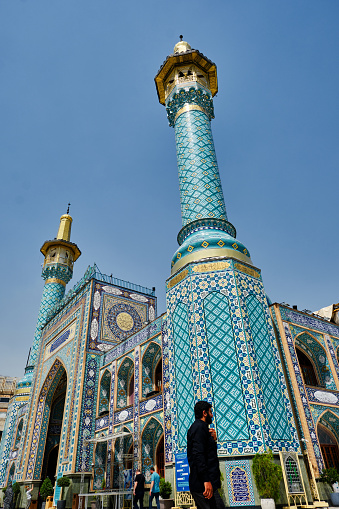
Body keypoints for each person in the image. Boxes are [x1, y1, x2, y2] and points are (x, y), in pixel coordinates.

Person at [187, 401, 226, 509]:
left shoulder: (201, 428)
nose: (212, 415)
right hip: (203, 485)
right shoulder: (199, 428)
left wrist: (213, 440)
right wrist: (206, 480)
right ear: (204, 413)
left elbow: (207, 454)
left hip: (205, 483)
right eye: (210, 412)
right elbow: (198, 455)